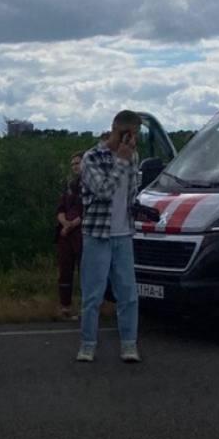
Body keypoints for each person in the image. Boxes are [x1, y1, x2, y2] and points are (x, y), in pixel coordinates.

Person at [77, 111, 143, 363]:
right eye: (131, 134)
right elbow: (103, 191)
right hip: (97, 234)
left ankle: (129, 344)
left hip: (124, 234)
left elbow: (129, 192)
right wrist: (122, 161)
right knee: (92, 294)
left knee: (128, 294)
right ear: (119, 131)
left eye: (135, 135)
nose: (133, 140)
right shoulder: (92, 157)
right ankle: (88, 344)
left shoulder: (133, 156)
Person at [55, 152, 84, 319]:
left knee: (84, 272)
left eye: (78, 163)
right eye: (73, 164)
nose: (75, 166)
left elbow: (87, 211)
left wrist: (72, 225)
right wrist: (64, 223)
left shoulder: (90, 185)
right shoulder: (69, 185)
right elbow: (60, 209)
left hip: (81, 233)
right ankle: (65, 307)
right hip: (65, 233)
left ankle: (85, 308)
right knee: (64, 271)